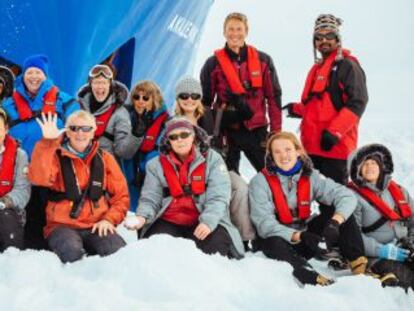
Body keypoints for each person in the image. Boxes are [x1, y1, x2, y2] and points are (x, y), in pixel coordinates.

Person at [283, 14, 368, 245]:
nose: (324, 41)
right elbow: (318, 105)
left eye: (329, 36)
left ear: (337, 38)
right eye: (318, 38)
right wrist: (297, 108)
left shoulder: (348, 66)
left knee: (337, 202)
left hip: (335, 148)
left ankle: (350, 250)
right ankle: (325, 241)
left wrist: (335, 132)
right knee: (321, 201)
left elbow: (357, 102)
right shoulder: (319, 68)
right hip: (313, 147)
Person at [249, 132, 368, 286]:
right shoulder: (259, 182)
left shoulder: (311, 176)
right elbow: (264, 224)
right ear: (271, 156)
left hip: (307, 239)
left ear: (298, 151)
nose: (283, 156)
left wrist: (335, 222)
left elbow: (346, 196)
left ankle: (358, 265)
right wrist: (299, 236)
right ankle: (308, 274)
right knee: (273, 242)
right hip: (277, 239)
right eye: (277, 152)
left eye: (288, 150)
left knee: (341, 214)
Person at [125, 116, 244, 259]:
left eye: (184, 134)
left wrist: (208, 222)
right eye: (174, 137)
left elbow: (219, 196)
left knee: (213, 249)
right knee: (156, 251)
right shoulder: (154, 165)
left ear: (193, 135)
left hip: (202, 220)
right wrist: (142, 217)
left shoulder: (213, 159)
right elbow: (150, 198)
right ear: (168, 140)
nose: (179, 140)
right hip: (169, 221)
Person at [28, 110, 129, 263]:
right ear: (67, 133)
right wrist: (47, 143)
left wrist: (109, 220)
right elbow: (38, 178)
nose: (80, 133)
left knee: (118, 253)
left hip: (97, 224)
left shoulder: (105, 159)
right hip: (62, 226)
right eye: (74, 128)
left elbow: (121, 197)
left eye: (86, 128)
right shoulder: (54, 155)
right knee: (71, 254)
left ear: (93, 131)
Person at [2, 54, 80, 249]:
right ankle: (22, 246)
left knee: (48, 208)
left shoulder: (64, 101)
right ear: (23, 75)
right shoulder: (9, 105)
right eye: (30, 72)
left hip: (52, 169)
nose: (34, 76)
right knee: (26, 208)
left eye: (38, 72)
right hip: (19, 166)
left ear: (45, 75)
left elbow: (79, 125)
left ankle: (49, 246)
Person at [174, 76, 256, 249]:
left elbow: (247, 114)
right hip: (188, 172)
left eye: (195, 95)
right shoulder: (171, 123)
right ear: (178, 98)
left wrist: (236, 97)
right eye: (184, 95)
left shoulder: (214, 115)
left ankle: (243, 238)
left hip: (218, 168)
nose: (189, 100)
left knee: (240, 188)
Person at [200, 12, 282, 173]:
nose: (235, 34)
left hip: (256, 130)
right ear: (224, 32)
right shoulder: (212, 64)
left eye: (239, 29)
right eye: (230, 29)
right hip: (227, 131)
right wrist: (207, 135)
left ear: (246, 32)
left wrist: (276, 132)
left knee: (271, 175)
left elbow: (274, 98)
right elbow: (205, 103)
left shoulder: (264, 61)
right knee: (227, 179)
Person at [349, 144, 414, 289]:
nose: (370, 167)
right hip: (376, 256)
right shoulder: (352, 197)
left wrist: (411, 242)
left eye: (374, 163)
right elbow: (353, 237)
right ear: (357, 170)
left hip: (404, 248)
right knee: (409, 280)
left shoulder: (399, 191)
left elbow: (413, 221)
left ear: (381, 166)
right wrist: (382, 250)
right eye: (365, 164)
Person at [122, 80, 169, 211]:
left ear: (154, 99)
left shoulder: (165, 121)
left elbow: (163, 148)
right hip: (131, 168)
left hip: (150, 169)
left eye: (146, 98)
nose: (140, 101)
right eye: (137, 97)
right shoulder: (126, 117)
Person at [77, 64, 136, 163]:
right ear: (90, 85)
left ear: (110, 84)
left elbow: (124, 153)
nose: (100, 87)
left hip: (106, 166)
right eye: (96, 83)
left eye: (104, 83)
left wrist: (136, 136)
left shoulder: (120, 113)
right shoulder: (79, 109)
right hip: (81, 164)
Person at [0, 109, 30, 252]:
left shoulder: (20, 155)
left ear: (6, 129)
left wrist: (4, 202)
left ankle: (12, 261)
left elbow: (23, 190)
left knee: (7, 222)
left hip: (8, 209)